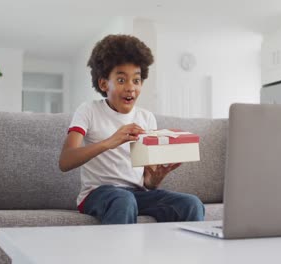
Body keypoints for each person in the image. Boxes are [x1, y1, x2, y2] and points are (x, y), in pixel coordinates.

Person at [59, 34, 205, 224]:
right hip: (99, 193)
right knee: (123, 200)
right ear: (104, 83)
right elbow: (65, 161)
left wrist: (155, 178)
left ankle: (184, 253)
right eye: (121, 80)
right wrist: (109, 142)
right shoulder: (89, 110)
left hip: (137, 194)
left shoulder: (146, 118)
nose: (130, 88)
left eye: (136, 81)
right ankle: (121, 254)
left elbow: (147, 182)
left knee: (190, 203)